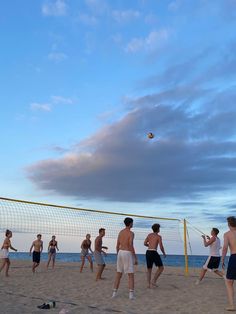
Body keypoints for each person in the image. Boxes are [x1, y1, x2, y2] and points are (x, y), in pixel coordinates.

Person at [112, 217, 138, 300]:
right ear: (130, 223)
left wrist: (118, 254)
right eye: (132, 223)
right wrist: (135, 257)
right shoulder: (131, 233)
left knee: (118, 273)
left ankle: (114, 294)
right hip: (127, 252)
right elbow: (130, 245)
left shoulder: (121, 232)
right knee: (130, 275)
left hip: (120, 252)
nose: (132, 224)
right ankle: (131, 296)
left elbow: (117, 245)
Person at [144, 223, 166, 288]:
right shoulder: (158, 236)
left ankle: (148, 284)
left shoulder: (149, 235)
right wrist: (164, 253)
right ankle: (153, 281)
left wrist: (149, 245)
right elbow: (161, 246)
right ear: (158, 229)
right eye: (159, 228)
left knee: (149, 269)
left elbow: (145, 243)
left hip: (148, 252)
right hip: (153, 252)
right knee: (161, 268)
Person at [222, 216, 236, 311]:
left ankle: (232, 305)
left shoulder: (227, 234)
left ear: (229, 224)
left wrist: (222, 259)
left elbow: (225, 248)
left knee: (229, 281)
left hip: (234, 257)